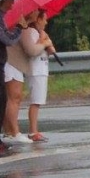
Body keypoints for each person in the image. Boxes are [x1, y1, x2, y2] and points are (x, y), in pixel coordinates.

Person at [0, 0, 27, 155]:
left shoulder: (0, 16)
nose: (13, 2)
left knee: (1, 100)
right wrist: (19, 28)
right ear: (4, 0)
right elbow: (7, 39)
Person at [3, 9, 45, 143]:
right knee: (14, 98)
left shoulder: (19, 25)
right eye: (35, 10)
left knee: (9, 98)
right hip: (13, 62)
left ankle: (8, 131)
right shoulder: (21, 26)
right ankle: (14, 132)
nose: (36, 12)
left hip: (11, 62)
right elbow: (31, 50)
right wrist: (44, 43)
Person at [23, 10, 55, 141]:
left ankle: (34, 130)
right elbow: (33, 50)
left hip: (42, 69)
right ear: (38, 20)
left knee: (39, 100)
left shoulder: (41, 33)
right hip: (35, 70)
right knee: (35, 101)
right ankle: (32, 131)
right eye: (44, 19)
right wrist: (43, 41)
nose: (46, 22)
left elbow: (52, 50)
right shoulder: (31, 32)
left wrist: (47, 41)